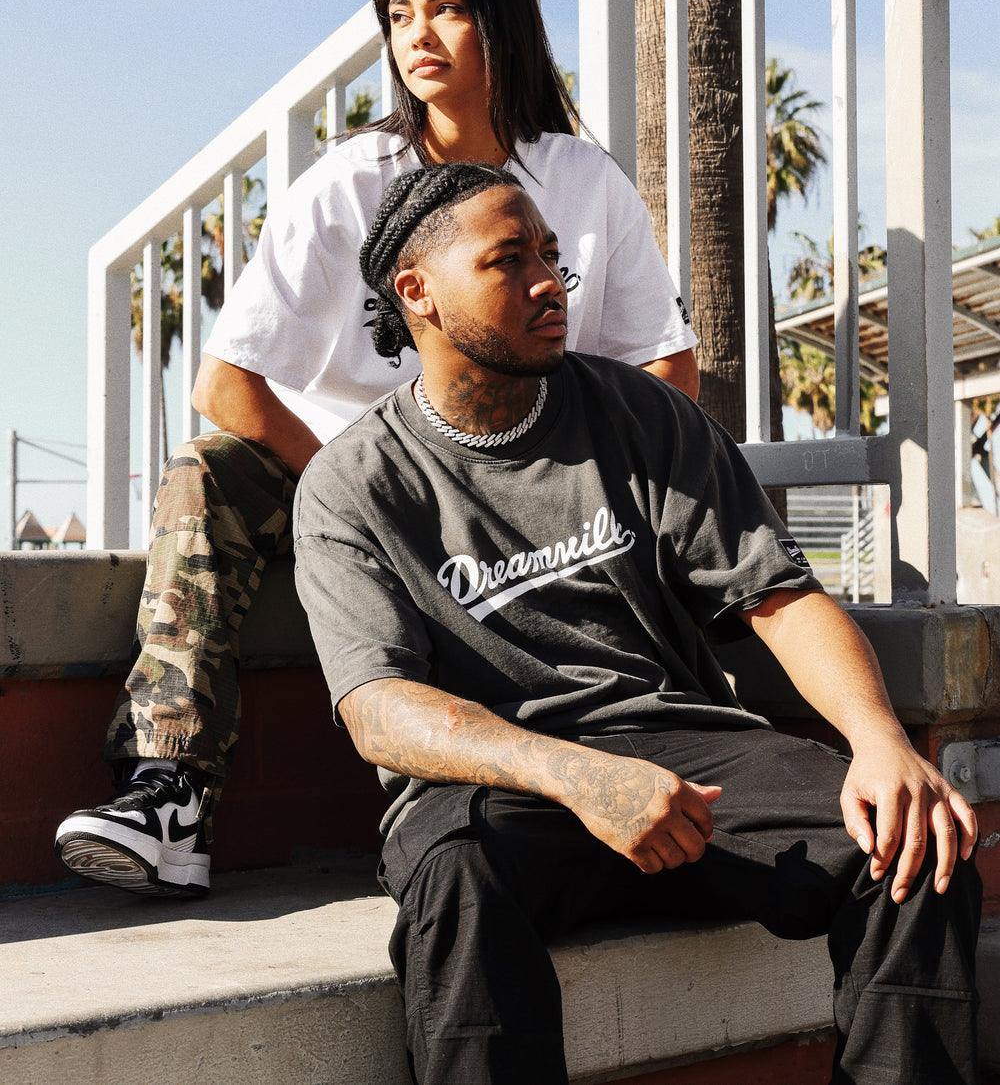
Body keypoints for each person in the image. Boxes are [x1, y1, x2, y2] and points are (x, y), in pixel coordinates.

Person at [293, 162, 981, 1085]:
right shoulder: (352, 484)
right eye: (509, 260)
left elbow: (779, 598)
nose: (550, 282)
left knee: (911, 841)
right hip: (502, 783)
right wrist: (577, 775)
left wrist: (881, 740)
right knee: (456, 875)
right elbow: (379, 709)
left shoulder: (641, 412)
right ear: (417, 293)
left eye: (551, 255)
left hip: (686, 759)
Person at [54, 0, 698, 897]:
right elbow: (225, 385)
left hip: (523, 482)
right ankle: (167, 791)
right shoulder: (352, 182)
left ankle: (642, 751)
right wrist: (358, 491)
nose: (417, 36)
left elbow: (665, 367)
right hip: (351, 475)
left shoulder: (581, 180)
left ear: (505, 23)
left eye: (447, 8)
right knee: (205, 467)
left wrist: (576, 483)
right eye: (399, 15)